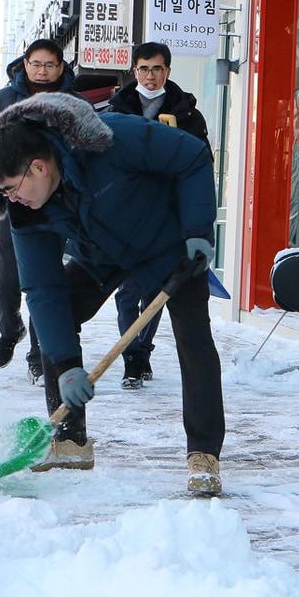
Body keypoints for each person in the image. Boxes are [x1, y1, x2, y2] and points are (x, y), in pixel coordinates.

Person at [0, 91, 226, 495]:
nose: (10, 200)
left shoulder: (114, 139)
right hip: (101, 254)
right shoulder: (25, 210)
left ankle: (204, 453)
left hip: (167, 245)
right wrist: (67, 364)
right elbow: (42, 288)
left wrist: (198, 230)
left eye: (9, 189)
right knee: (54, 320)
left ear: (37, 166)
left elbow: (192, 157)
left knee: (193, 337)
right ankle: (69, 440)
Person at [0, 39, 83, 382]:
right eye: (36, 64)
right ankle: (10, 327)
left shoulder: (71, 102)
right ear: (25, 64)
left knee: (44, 278)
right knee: (6, 277)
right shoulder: (3, 100)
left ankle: (39, 352)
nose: (42, 71)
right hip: (12, 200)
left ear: (61, 67)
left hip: (57, 204)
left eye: (50, 65)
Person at [104, 42, 211, 390]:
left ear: (168, 71)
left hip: (169, 217)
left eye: (157, 69)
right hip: (128, 216)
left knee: (155, 292)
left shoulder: (188, 113)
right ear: (134, 71)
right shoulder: (117, 110)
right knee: (125, 293)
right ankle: (131, 354)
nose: (150, 76)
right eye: (144, 69)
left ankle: (140, 352)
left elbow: (202, 164)